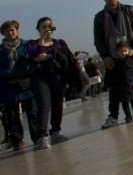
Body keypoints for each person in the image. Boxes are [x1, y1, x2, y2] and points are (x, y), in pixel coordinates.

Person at [24, 17, 79, 149]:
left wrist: (48, 56)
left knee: (57, 104)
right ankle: (42, 136)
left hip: (57, 76)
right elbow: (35, 56)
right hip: (40, 77)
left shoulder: (59, 43)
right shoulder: (32, 43)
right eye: (43, 26)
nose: (47, 28)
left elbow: (66, 57)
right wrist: (43, 40)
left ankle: (55, 131)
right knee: (44, 105)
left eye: (49, 26)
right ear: (38, 29)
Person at [0, 20, 38, 151]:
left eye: (12, 30)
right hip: (8, 85)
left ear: (17, 30)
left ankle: (37, 136)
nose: (10, 33)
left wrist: (22, 75)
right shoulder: (0, 50)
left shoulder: (27, 45)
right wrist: (11, 75)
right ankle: (17, 140)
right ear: (3, 33)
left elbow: (33, 62)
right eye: (7, 31)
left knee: (32, 111)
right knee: (12, 115)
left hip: (26, 83)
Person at [101, 42, 133, 129]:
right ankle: (128, 116)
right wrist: (108, 84)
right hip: (121, 86)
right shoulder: (115, 62)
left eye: (125, 51)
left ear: (128, 51)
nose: (123, 53)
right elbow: (111, 74)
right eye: (121, 52)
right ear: (117, 53)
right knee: (125, 102)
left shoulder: (131, 60)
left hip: (132, 84)